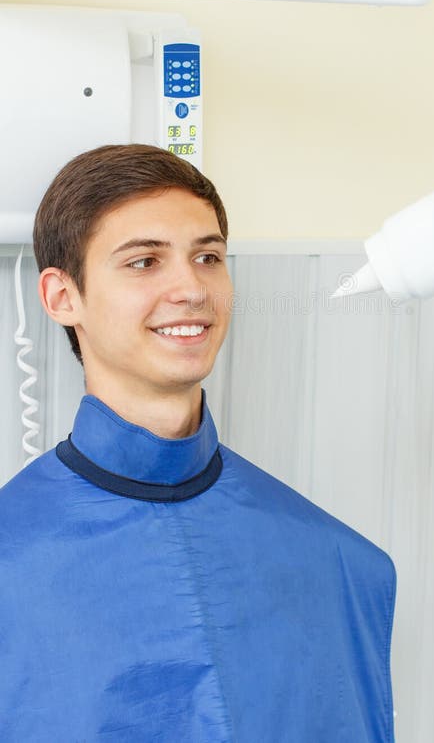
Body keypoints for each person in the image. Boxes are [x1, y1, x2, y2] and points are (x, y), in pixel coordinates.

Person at [0, 144, 396, 741]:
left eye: (208, 256)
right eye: (144, 262)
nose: (191, 288)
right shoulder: (12, 565)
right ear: (62, 297)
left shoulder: (341, 565)